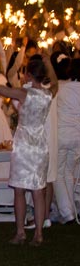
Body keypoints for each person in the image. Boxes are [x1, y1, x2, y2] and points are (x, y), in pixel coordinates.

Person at [0, 48, 56, 246]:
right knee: (38, 191)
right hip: (39, 145)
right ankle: (38, 234)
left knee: (19, 190)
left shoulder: (22, 93)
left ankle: (20, 232)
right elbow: (54, 83)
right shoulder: (48, 94)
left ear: (28, 75)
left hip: (23, 145)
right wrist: (49, 62)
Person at [52, 58, 80, 224]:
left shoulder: (63, 88)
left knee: (57, 174)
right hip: (77, 136)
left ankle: (67, 213)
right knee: (68, 174)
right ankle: (71, 211)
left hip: (62, 135)